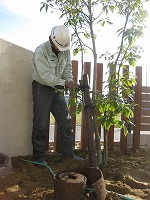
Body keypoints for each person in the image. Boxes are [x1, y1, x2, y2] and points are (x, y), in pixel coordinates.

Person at [32, 25, 83, 164]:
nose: (61, 51)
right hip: (42, 88)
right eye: (58, 47)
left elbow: (67, 68)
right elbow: (44, 76)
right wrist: (65, 83)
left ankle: (68, 155)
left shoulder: (65, 49)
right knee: (40, 123)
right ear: (51, 39)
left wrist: (70, 81)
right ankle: (38, 158)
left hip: (58, 89)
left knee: (66, 122)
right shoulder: (41, 51)